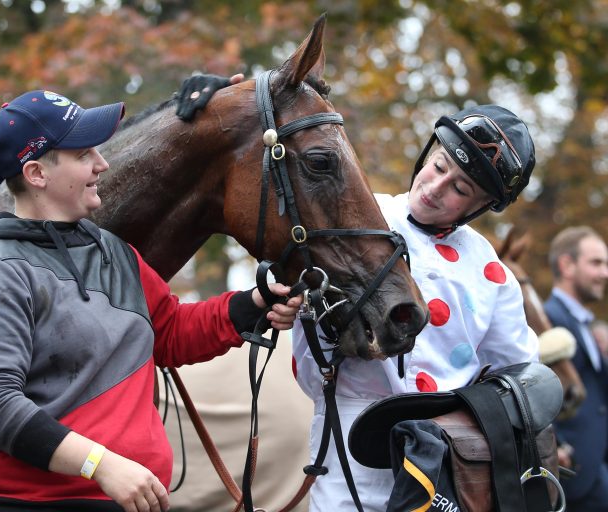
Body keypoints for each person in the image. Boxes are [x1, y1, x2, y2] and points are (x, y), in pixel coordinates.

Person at [176, 77, 539, 511]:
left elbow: (518, 374)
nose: (435, 188)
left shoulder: (492, 274)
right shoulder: (351, 216)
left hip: (444, 453)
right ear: (427, 154)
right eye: (439, 167)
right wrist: (290, 304)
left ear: (479, 207)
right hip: (350, 432)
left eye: (460, 190)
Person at [0, 89, 302, 512]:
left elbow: (170, 332)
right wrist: (100, 464)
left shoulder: (114, 252)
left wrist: (254, 302)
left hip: (135, 500)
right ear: (36, 173)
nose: (102, 163)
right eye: (83, 154)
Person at [544, 226, 608, 511]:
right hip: (571, 470)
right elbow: (541, 391)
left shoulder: (588, 325)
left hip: (596, 464)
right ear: (567, 265)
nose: (605, 273)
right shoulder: (548, 318)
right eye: (596, 263)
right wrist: (557, 445)